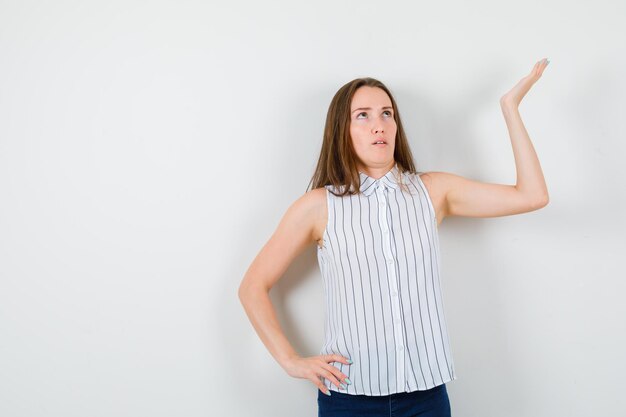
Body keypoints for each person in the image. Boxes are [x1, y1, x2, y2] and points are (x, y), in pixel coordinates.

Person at [238, 58, 550, 417]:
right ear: (342, 130)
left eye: (387, 113)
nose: (378, 125)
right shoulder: (318, 206)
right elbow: (252, 286)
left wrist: (509, 109)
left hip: (426, 398)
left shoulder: (433, 191)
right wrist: (290, 361)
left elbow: (532, 195)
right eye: (363, 115)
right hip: (348, 399)